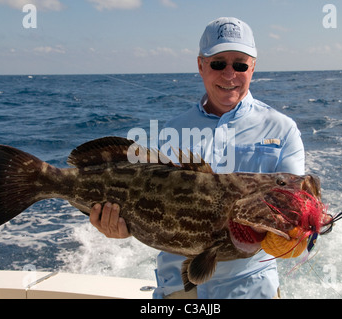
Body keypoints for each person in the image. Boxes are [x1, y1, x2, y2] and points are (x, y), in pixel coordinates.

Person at [90, 17, 305, 299]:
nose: (229, 74)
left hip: (253, 289)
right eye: (218, 63)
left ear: (253, 67)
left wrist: (297, 235)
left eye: (240, 64)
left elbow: (296, 213)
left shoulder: (283, 129)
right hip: (179, 290)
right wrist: (119, 226)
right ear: (201, 65)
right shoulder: (171, 130)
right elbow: (151, 207)